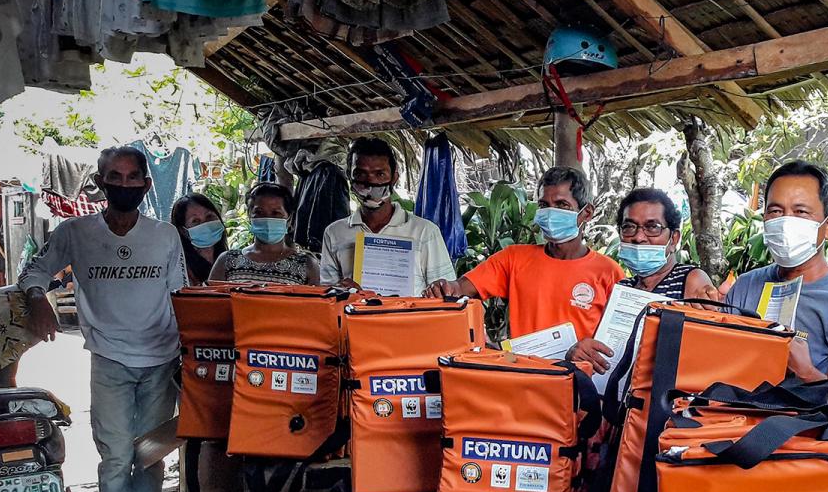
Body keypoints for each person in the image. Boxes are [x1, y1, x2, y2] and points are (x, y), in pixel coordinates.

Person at [19, 146, 188, 492]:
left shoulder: (164, 235)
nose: (125, 185)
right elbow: (34, 272)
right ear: (100, 181)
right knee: (115, 452)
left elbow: (180, 294)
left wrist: (188, 346)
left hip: (161, 356)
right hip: (109, 357)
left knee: (150, 451)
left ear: (147, 184)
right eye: (116, 176)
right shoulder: (75, 232)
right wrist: (39, 298)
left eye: (134, 178)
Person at [425, 166, 624, 340]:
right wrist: (445, 288)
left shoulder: (609, 273)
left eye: (562, 205)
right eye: (544, 205)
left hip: (581, 380)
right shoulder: (513, 258)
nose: (550, 213)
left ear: (587, 213)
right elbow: (461, 288)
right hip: (525, 375)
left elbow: (618, 337)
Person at [724, 161, 828, 380]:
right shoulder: (745, 286)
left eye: (801, 212)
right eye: (775, 211)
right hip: (729, 412)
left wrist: (807, 373)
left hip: (802, 415)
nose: (785, 222)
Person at [567, 188, 715, 373]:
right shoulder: (623, 287)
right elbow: (604, 350)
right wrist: (580, 352)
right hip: (617, 397)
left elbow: (703, 356)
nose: (638, 237)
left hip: (664, 399)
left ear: (673, 238)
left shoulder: (691, 279)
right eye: (629, 227)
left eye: (652, 227)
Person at [319, 137, 454, 296]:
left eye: (380, 174)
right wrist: (340, 290)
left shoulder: (425, 232)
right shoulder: (334, 233)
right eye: (361, 174)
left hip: (407, 320)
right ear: (349, 176)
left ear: (394, 177)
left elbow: (445, 292)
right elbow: (326, 294)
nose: (370, 182)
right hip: (355, 320)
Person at [208, 183, 320, 285]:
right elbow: (210, 303)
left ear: (289, 218)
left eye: (276, 213)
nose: (267, 218)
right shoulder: (227, 260)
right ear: (249, 215)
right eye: (259, 212)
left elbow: (317, 306)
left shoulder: (306, 265)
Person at [170, 193, 228, 285]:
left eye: (209, 216)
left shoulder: (231, 261)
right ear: (183, 231)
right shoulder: (180, 269)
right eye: (195, 221)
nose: (206, 224)